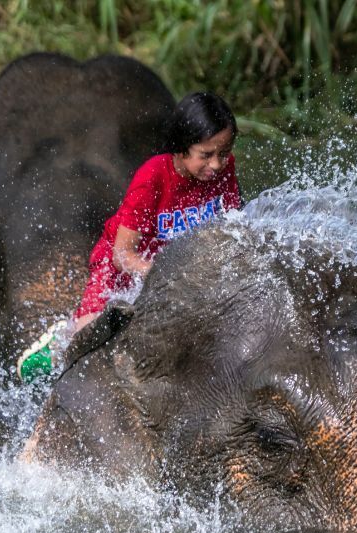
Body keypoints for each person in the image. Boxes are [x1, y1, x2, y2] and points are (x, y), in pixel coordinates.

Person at [16, 92, 242, 381]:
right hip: (123, 269)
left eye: (223, 153)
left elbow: (232, 226)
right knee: (94, 338)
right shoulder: (153, 178)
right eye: (206, 155)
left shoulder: (225, 169)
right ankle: (59, 341)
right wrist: (164, 274)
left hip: (172, 265)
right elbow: (122, 256)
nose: (216, 165)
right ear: (181, 147)